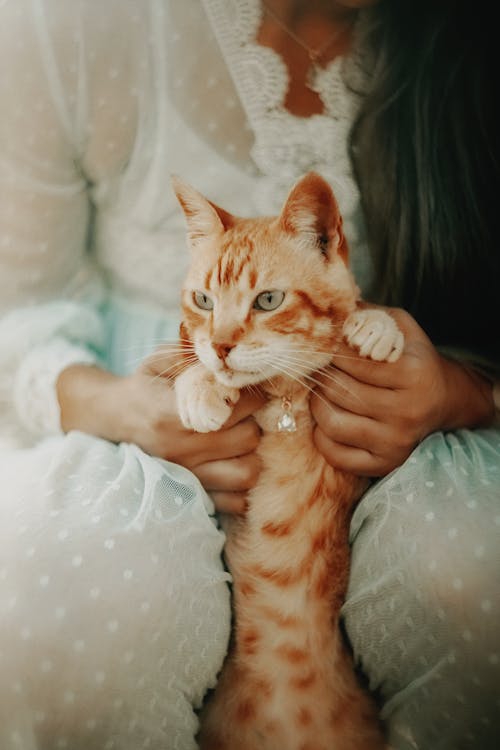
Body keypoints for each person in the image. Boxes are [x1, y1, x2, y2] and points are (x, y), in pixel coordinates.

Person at [0, 0, 498, 748]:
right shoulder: (74, 22)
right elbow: (17, 311)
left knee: (468, 573)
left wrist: (465, 391)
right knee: (73, 604)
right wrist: (120, 408)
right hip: (137, 404)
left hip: (404, 413)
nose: (228, 336)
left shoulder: (466, 39)